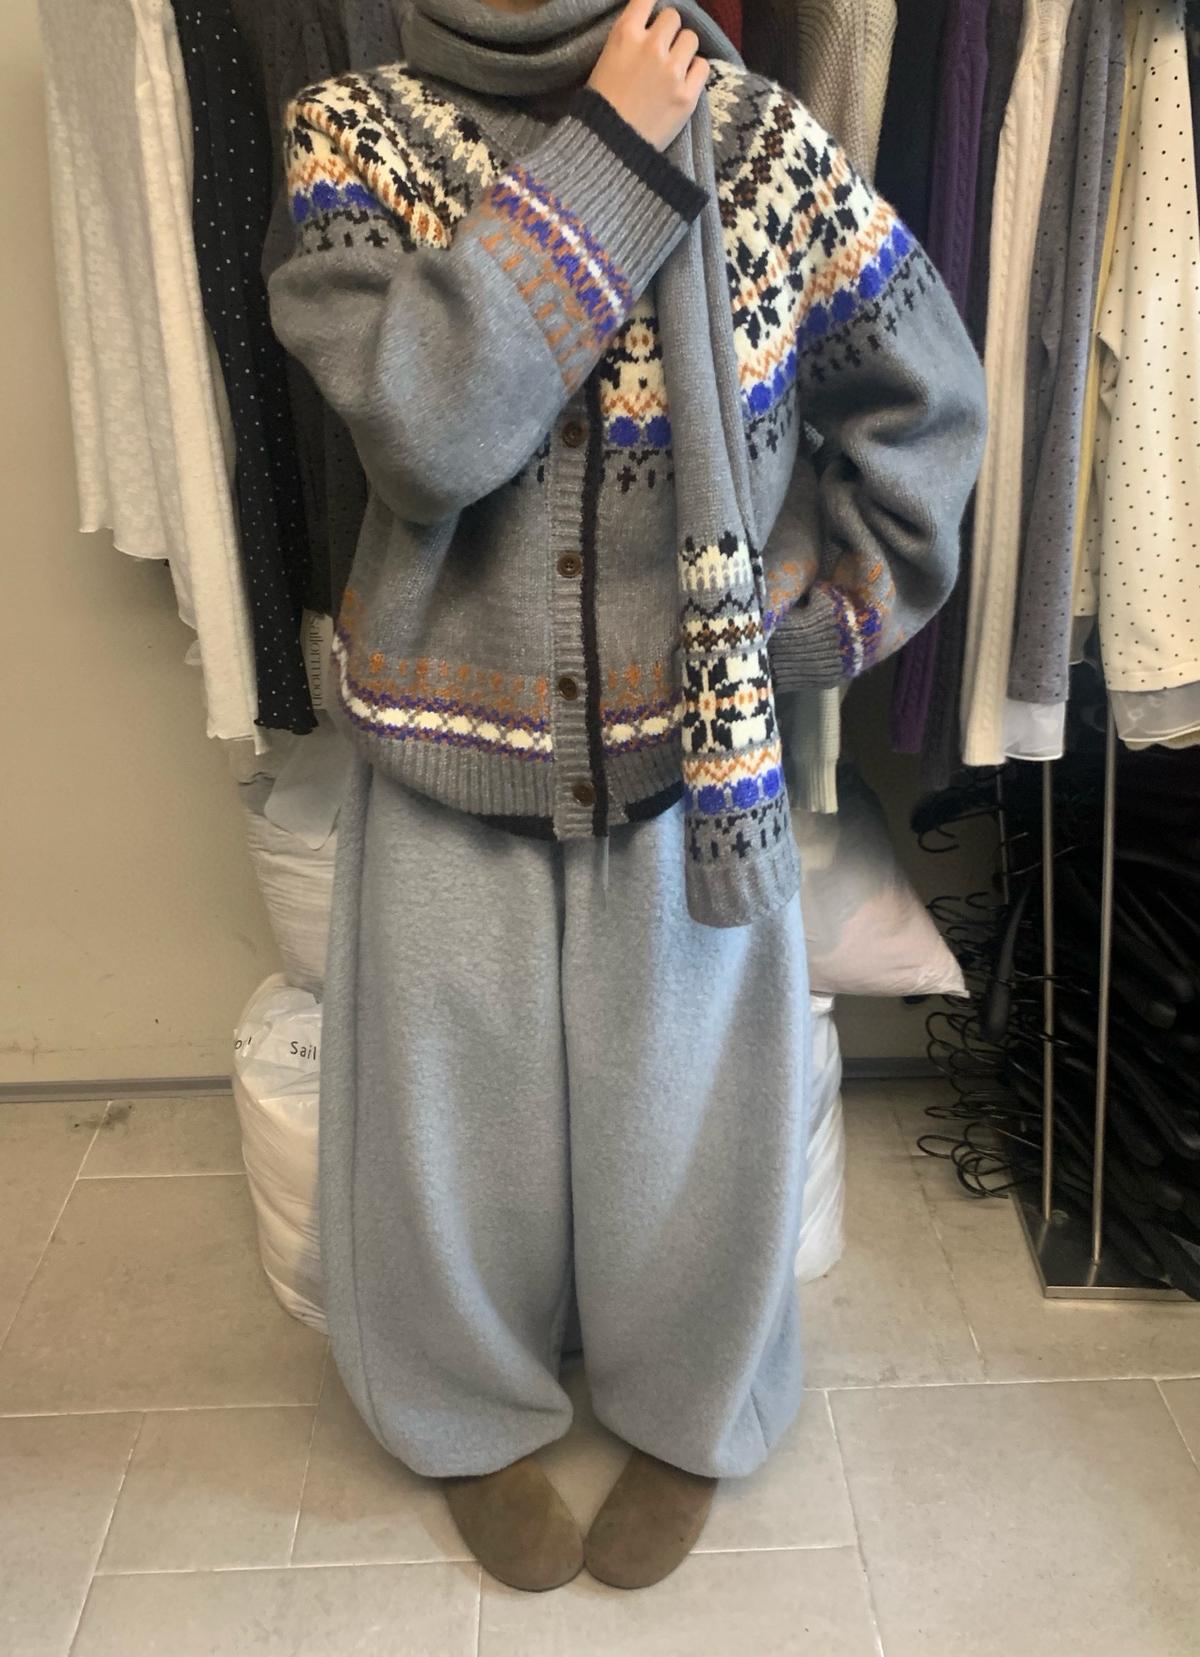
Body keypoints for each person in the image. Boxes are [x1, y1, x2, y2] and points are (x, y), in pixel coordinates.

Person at [268, 0, 985, 1594]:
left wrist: (818, 624)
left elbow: (930, 395)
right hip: (447, 740)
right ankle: (463, 1409)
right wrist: (610, 149)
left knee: (690, 1120)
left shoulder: (760, 141)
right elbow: (425, 427)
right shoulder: (350, 135)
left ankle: (690, 1405)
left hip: (690, 757)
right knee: (446, 1123)